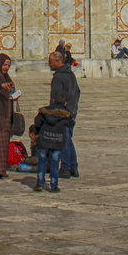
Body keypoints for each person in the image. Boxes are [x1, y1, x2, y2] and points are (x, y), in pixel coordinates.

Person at [30, 91, 73, 193]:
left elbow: (37, 122)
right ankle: (54, 185)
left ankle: (40, 183)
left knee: (42, 161)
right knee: (54, 163)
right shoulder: (65, 114)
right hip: (58, 141)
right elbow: (71, 123)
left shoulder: (44, 112)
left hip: (45, 139)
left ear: (53, 101)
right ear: (65, 103)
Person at [49, 50, 80, 179]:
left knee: (64, 140)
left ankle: (66, 168)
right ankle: (73, 167)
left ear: (57, 61)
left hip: (63, 113)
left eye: (50, 62)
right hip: (72, 111)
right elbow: (77, 92)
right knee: (69, 139)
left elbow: (57, 97)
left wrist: (54, 111)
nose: (49, 65)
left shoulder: (59, 77)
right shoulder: (71, 74)